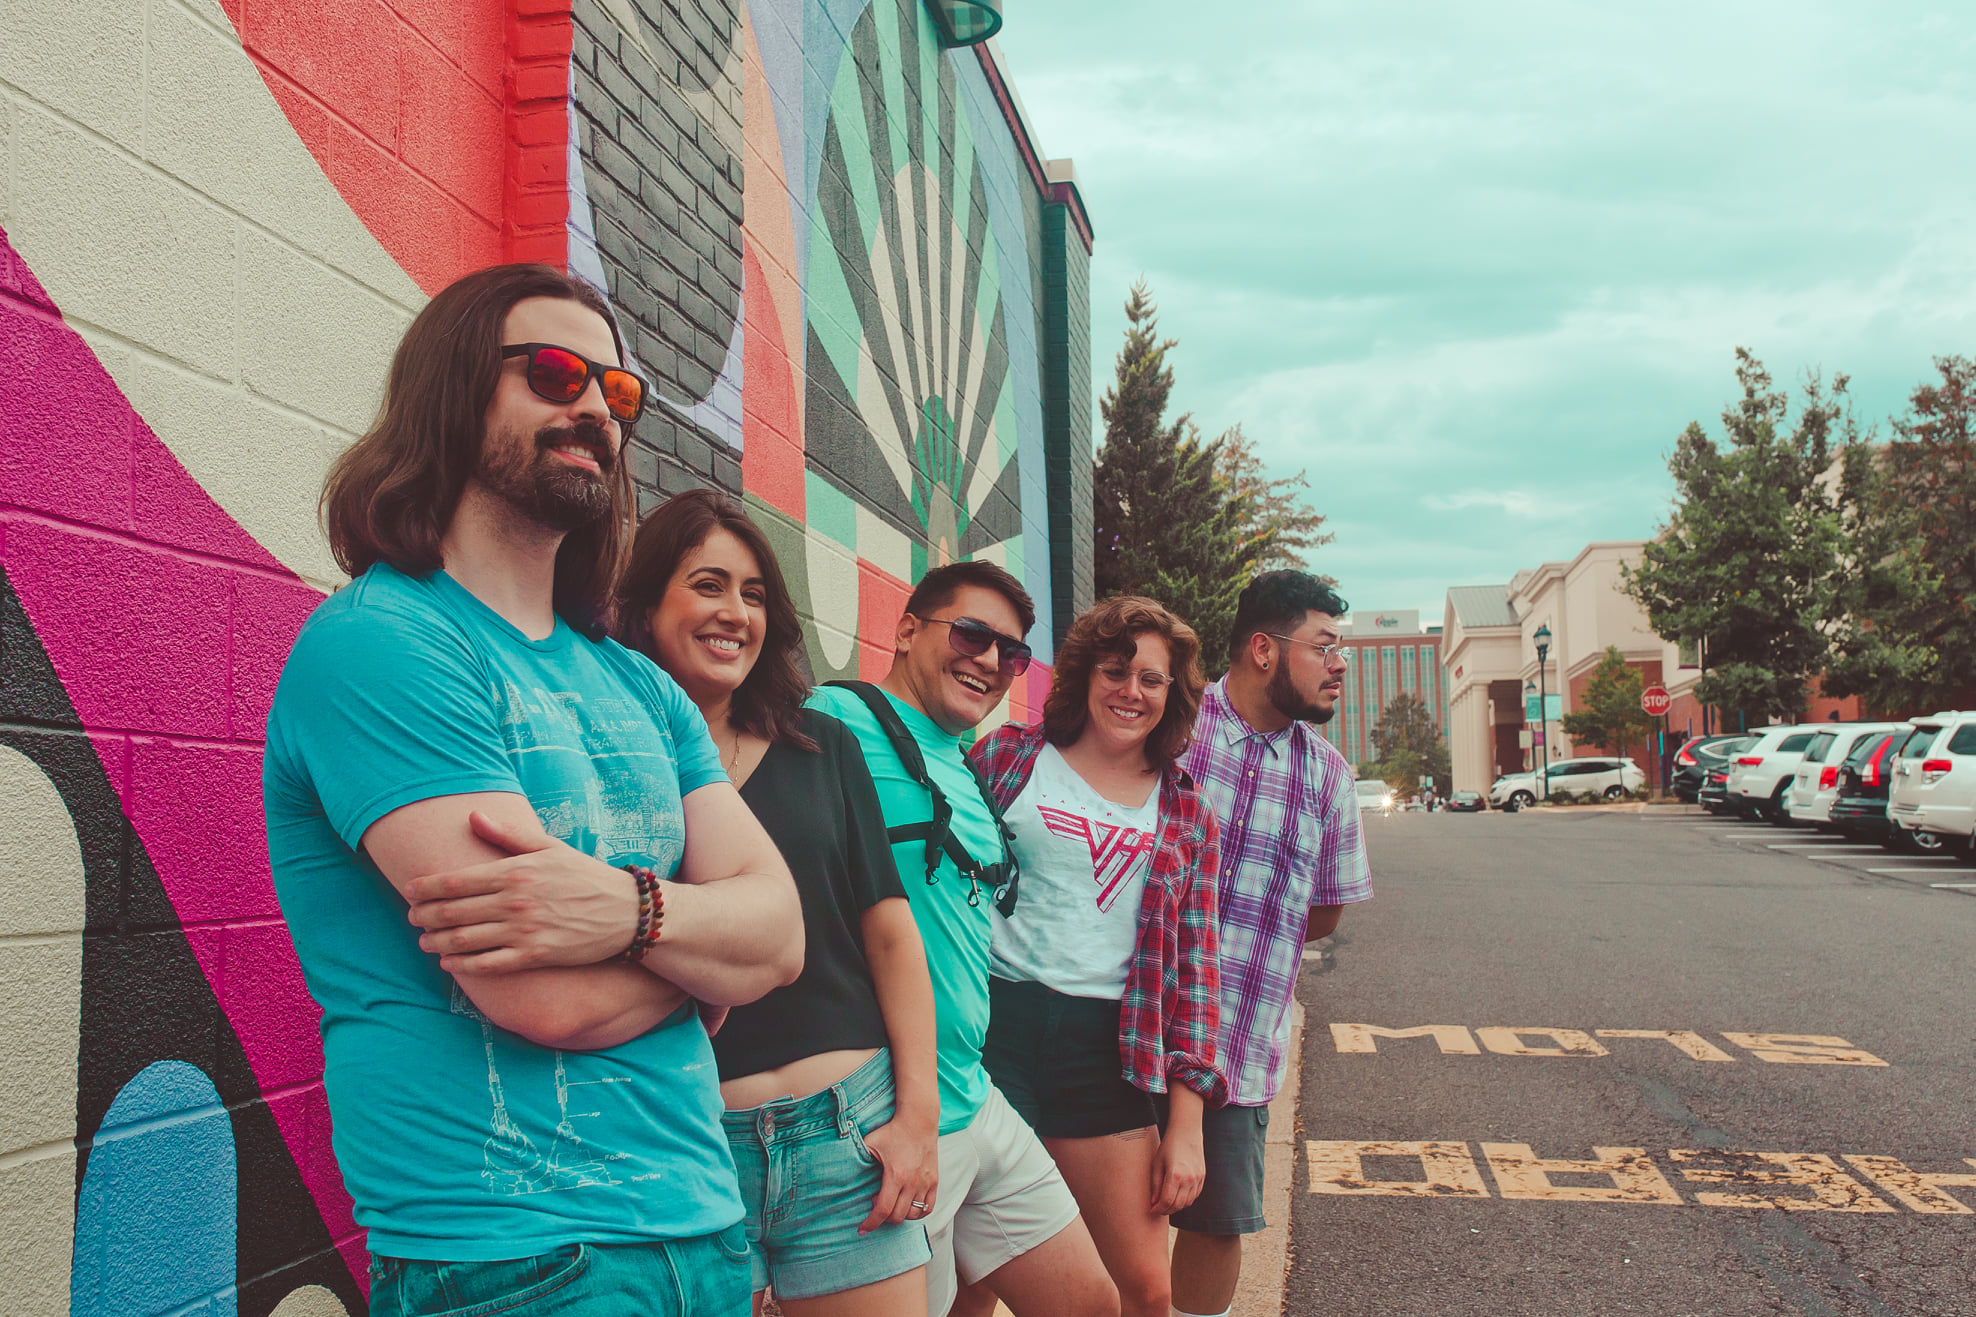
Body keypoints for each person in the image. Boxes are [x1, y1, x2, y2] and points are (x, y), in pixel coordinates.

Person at [263, 263, 803, 1317]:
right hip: (511, 1259)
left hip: (702, 1232)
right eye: (555, 373)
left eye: (617, 390)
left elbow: (782, 935)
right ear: (454, 391)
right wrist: (709, 965)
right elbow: (544, 996)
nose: (595, 406)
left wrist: (630, 914)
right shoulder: (384, 644)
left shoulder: (640, 683)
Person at [616, 490, 938, 1316]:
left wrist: (919, 1117)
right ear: (646, 607)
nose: (736, 612)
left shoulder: (822, 745)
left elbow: (892, 937)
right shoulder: (613, 767)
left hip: (848, 1138)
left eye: (754, 593)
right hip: (688, 1152)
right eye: (709, 584)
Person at [807, 562, 1120, 1317]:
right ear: (906, 630)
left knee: (1090, 1303)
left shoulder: (967, 763)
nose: (990, 660)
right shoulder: (833, 720)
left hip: (972, 1095)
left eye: (1011, 652)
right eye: (972, 634)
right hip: (886, 1113)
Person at [968, 596, 1226, 1317]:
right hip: (992, 1031)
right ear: (1084, 674)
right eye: (1115, 671)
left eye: (1151, 679)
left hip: (1108, 1047)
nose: (1130, 691)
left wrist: (1186, 1126)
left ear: (1172, 693)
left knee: (1146, 1289)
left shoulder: (1187, 811)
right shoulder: (1008, 758)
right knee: (973, 1277)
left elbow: (1197, 974)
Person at [1167, 571, 1373, 1317]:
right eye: (1324, 646)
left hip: (1238, 1044)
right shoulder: (1172, 727)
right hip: (1126, 1027)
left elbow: (1324, 914)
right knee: (1104, 1217)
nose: (1339, 664)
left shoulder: (1328, 777)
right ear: (1264, 649)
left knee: (1217, 1222)